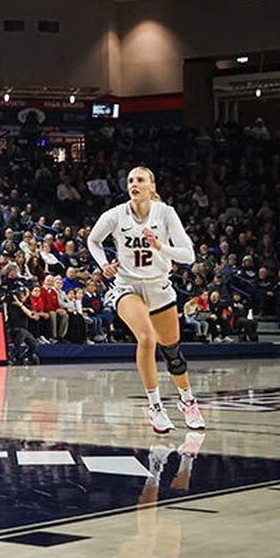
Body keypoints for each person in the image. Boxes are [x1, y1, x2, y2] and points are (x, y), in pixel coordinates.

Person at [87, 166, 205, 433]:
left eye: (140, 180)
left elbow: (189, 256)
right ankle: (155, 407)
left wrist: (160, 247)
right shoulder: (115, 215)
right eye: (130, 180)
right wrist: (104, 264)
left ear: (152, 186)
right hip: (127, 286)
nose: (134, 184)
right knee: (147, 338)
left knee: (173, 354)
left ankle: (187, 401)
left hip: (159, 288)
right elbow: (93, 241)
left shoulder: (166, 213)